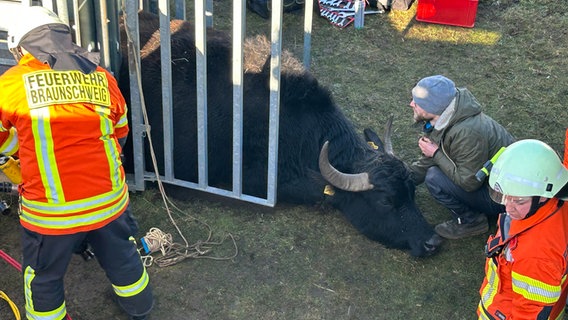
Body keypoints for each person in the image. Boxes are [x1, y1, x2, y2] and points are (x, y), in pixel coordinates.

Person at [0, 6, 153, 320]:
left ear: (20, 47)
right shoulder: (101, 76)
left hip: (51, 214)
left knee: (43, 276)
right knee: (124, 257)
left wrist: (21, 152)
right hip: (110, 203)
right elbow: (120, 130)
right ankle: (141, 309)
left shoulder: (11, 85)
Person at [408, 75, 515, 239]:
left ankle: (472, 221)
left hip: (504, 198)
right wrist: (405, 179)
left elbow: (469, 182)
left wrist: (435, 154)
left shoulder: (467, 133)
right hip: (489, 179)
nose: (411, 104)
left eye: (417, 103)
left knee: (434, 178)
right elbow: (438, 151)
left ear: (433, 108)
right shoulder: (448, 116)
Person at [477, 139, 568, 319]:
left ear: (542, 196)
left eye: (519, 201)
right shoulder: (556, 198)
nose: (508, 207)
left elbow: (528, 312)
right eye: (505, 197)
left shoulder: (536, 256)